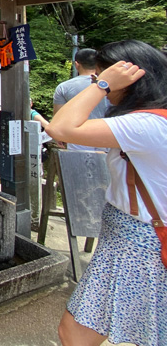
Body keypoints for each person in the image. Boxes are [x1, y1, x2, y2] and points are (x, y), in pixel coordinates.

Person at [48, 40, 167, 346]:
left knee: (74, 334)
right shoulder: (153, 119)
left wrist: (102, 84)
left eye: (101, 76)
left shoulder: (145, 125)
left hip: (138, 244)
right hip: (132, 239)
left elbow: (59, 127)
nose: (100, 85)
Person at [53, 48, 109, 151]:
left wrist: (59, 135)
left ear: (77, 64)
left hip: (77, 138)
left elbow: (58, 116)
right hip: (106, 136)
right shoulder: (108, 85)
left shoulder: (64, 87)